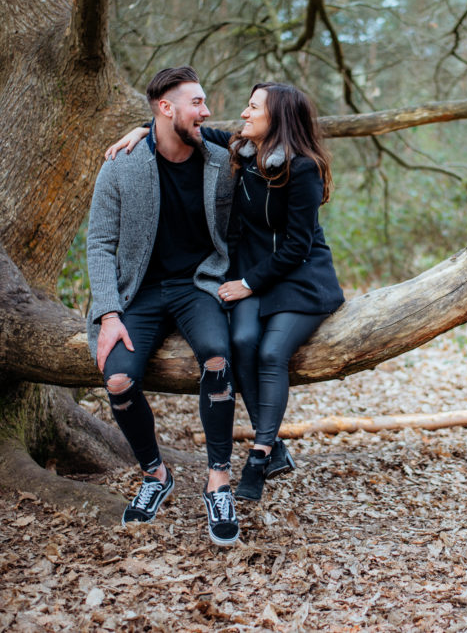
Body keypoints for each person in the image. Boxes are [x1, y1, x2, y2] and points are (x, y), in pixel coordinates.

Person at [107, 82, 344, 504]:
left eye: (253, 107)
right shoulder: (242, 151)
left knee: (271, 353)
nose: (243, 112)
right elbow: (184, 128)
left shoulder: (302, 168)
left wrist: (248, 283)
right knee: (241, 340)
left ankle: (261, 453)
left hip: (297, 276)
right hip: (252, 274)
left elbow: (296, 246)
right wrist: (143, 129)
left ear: (278, 118)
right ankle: (274, 450)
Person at [87, 66, 241, 546]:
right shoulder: (121, 165)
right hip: (140, 293)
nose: (207, 111)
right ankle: (155, 474)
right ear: (164, 107)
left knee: (217, 357)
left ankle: (218, 480)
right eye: (196, 102)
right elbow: (99, 244)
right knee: (117, 378)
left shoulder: (221, 159)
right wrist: (109, 313)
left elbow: (267, 145)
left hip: (200, 285)